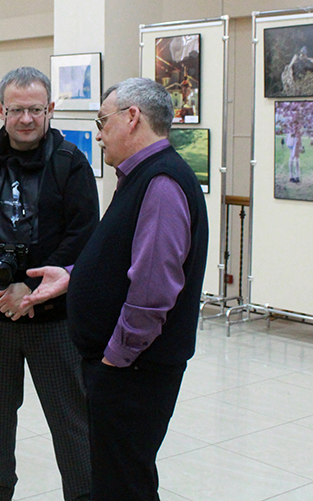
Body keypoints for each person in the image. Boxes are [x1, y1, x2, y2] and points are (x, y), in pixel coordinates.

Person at [19, 77, 209, 501]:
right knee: (116, 478)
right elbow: (123, 257)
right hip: (125, 368)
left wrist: (114, 359)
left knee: (124, 484)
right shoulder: (141, 177)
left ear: (132, 117)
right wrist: (73, 276)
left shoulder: (161, 184)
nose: (100, 134)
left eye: (103, 122)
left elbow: (153, 291)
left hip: (133, 370)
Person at [0, 66, 98, 501]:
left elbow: (82, 233)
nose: (27, 119)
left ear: (50, 109)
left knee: (71, 423)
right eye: (17, 110)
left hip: (54, 322)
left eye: (35, 109)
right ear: (1, 111)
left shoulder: (71, 165)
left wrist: (32, 290)